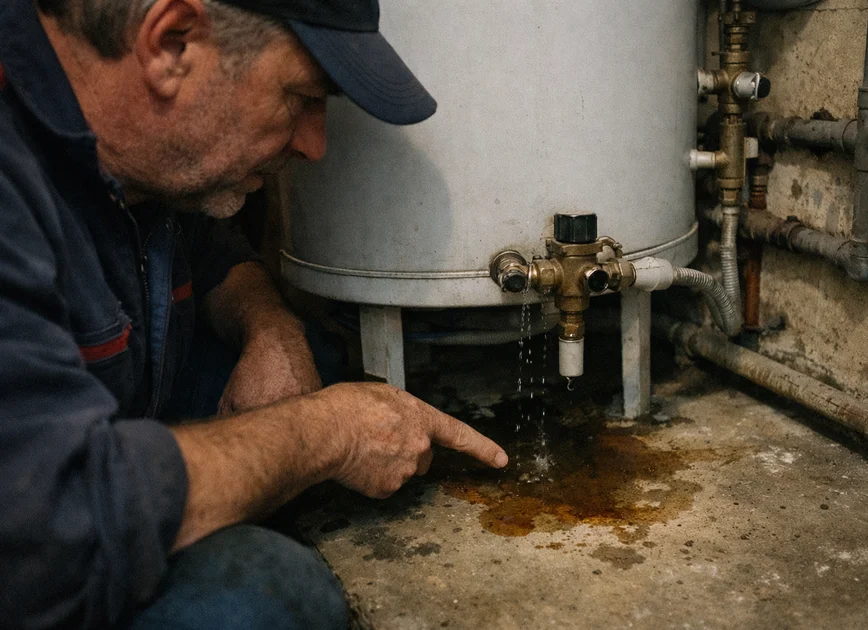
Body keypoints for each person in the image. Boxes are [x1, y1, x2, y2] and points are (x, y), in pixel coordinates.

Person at [0, 0, 510, 627]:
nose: (316, 146)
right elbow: (54, 522)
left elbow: (208, 246)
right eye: (300, 98)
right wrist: (329, 433)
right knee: (260, 597)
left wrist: (269, 324)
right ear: (173, 44)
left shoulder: (133, 140)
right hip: (38, 554)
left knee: (313, 370)